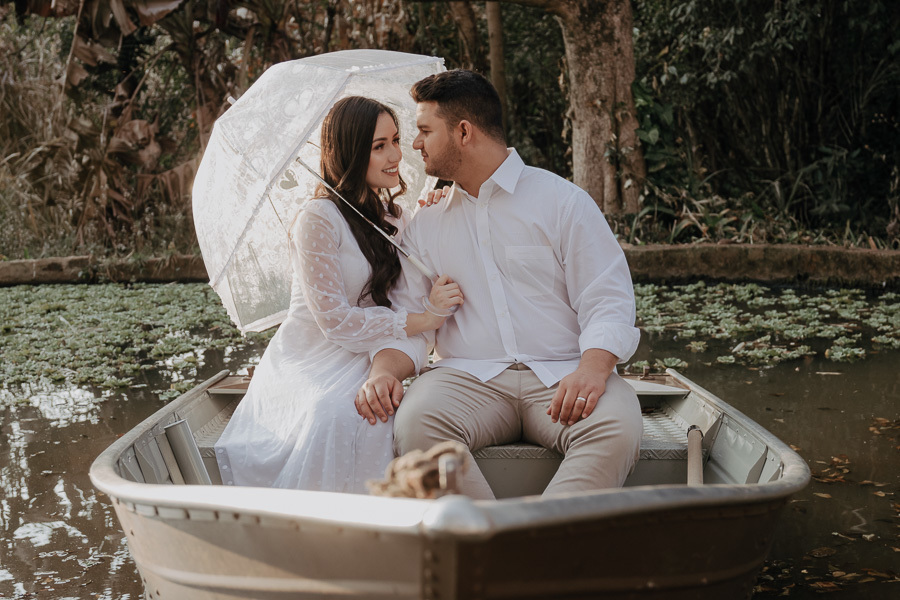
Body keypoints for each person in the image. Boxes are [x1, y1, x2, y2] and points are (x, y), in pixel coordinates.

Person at [355, 70, 643, 500]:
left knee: (617, 426)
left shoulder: (563, 202)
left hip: (564, 372)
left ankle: (539, 531)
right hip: (467, 379)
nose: (415, 144)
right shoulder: (426, 223)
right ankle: (490, 532)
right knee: (416, 422)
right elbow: (408, 319)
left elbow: (608, 298)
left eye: (425, 131)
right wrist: (383, 371)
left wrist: (592, 369)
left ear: (463, 132)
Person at [215, 96, 463, 493]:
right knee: (336, 415)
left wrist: (433, 209)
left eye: (395, 140)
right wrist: (426, 319)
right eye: (379, 146)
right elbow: (336, 321)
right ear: (351, 152)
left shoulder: (396, 217)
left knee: (381, 412)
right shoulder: (317, 219)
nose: (395, 155)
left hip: (370, 351)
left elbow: (406, 287)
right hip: (314, 356)